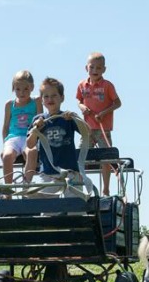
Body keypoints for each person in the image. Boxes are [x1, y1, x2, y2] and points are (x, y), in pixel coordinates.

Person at [23, 77, 88, 197]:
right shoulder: (38, 120)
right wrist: (36, 130)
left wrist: (76, 119)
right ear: (42, 100)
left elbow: (87, 132)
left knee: (76, 208)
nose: (50, 99)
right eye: (46, 96)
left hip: (71, 172)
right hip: (48, 173)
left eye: (54, 95)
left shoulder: (68, 118)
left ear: (62, 98)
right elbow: (30, 144)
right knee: (49, 211)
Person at [76, 52, 121, 196]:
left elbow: (118, 103)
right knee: (80, 156)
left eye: (98, 68)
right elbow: (79, 101)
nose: (95, 71)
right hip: (87, 128)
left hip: (103, 129)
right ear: (86, 68)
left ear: (104, 70)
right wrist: (82, 107)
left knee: (105, 158)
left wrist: (104, 113)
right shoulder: (82, 85)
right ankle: (79, 187)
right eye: (92, 67)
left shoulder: (108, 85)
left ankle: (106, 188)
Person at [1, 70, 42, 184]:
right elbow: (5, 126)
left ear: (32, 87)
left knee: (31, 152)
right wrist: (4, 143)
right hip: (13, 137)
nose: (22, 93)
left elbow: (41, 119)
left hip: (29, 136)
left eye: (25, 89)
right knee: (7, 156)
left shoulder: (36, 101)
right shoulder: (9, 104)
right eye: (18, 89)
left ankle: (26, 184)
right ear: (13, 88)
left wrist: (36, 135)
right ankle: (8, 188)